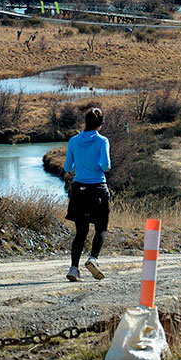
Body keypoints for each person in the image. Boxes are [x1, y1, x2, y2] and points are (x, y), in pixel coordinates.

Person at [63, 108, 112, 282]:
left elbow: (68, 168)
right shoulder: (102, 141)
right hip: (98, 188)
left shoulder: (73, 141)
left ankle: (74, 268)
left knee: (80, 232)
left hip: (79, 190)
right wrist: (95, 166)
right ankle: (93, 259)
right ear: (101, 124)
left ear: (85, 122)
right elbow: (106, 166)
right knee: (101, 228)